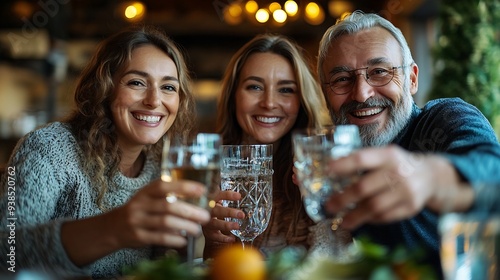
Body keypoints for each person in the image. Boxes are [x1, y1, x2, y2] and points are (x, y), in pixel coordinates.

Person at [0, 26, 211, 278]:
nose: (154, 100)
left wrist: (205, 239)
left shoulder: (162, 166)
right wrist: (112, 228)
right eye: (136, 82)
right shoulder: (48, 147)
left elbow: (162, 269)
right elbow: (6, 252)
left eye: (168, 87)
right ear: (104, 88)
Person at [317, 11, 500, 276]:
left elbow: (493, 170)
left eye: (379, 72)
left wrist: (431, 177)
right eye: (342, 79)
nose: (361, 93)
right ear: (326, 94)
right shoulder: (328, 162)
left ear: (412, 79)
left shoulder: (444, 118)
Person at [203, 34, 332, 258]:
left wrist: (323, 206)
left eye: (286, 90)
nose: (269, 103)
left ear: (301, 101)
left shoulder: (321, 167)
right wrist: (214, 243)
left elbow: (335, 261)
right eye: (254, 87)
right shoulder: (204, 172)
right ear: (234, 96)